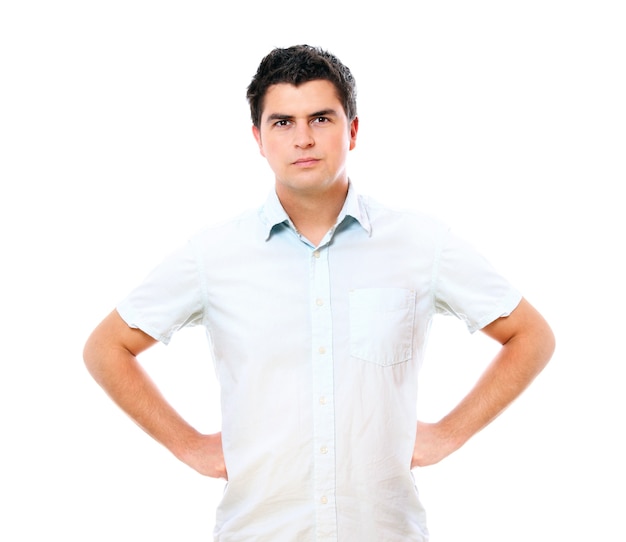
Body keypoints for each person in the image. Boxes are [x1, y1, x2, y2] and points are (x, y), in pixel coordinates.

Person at [83, 44, 555, 541]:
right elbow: (106, 348)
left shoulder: (419, 243)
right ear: (258, 139)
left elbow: (530, 335)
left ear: (352, 129)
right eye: (282, 122)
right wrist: (189, 446)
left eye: (321, 118)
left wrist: (449, 434)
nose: (303, 139)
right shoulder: (213, 255)